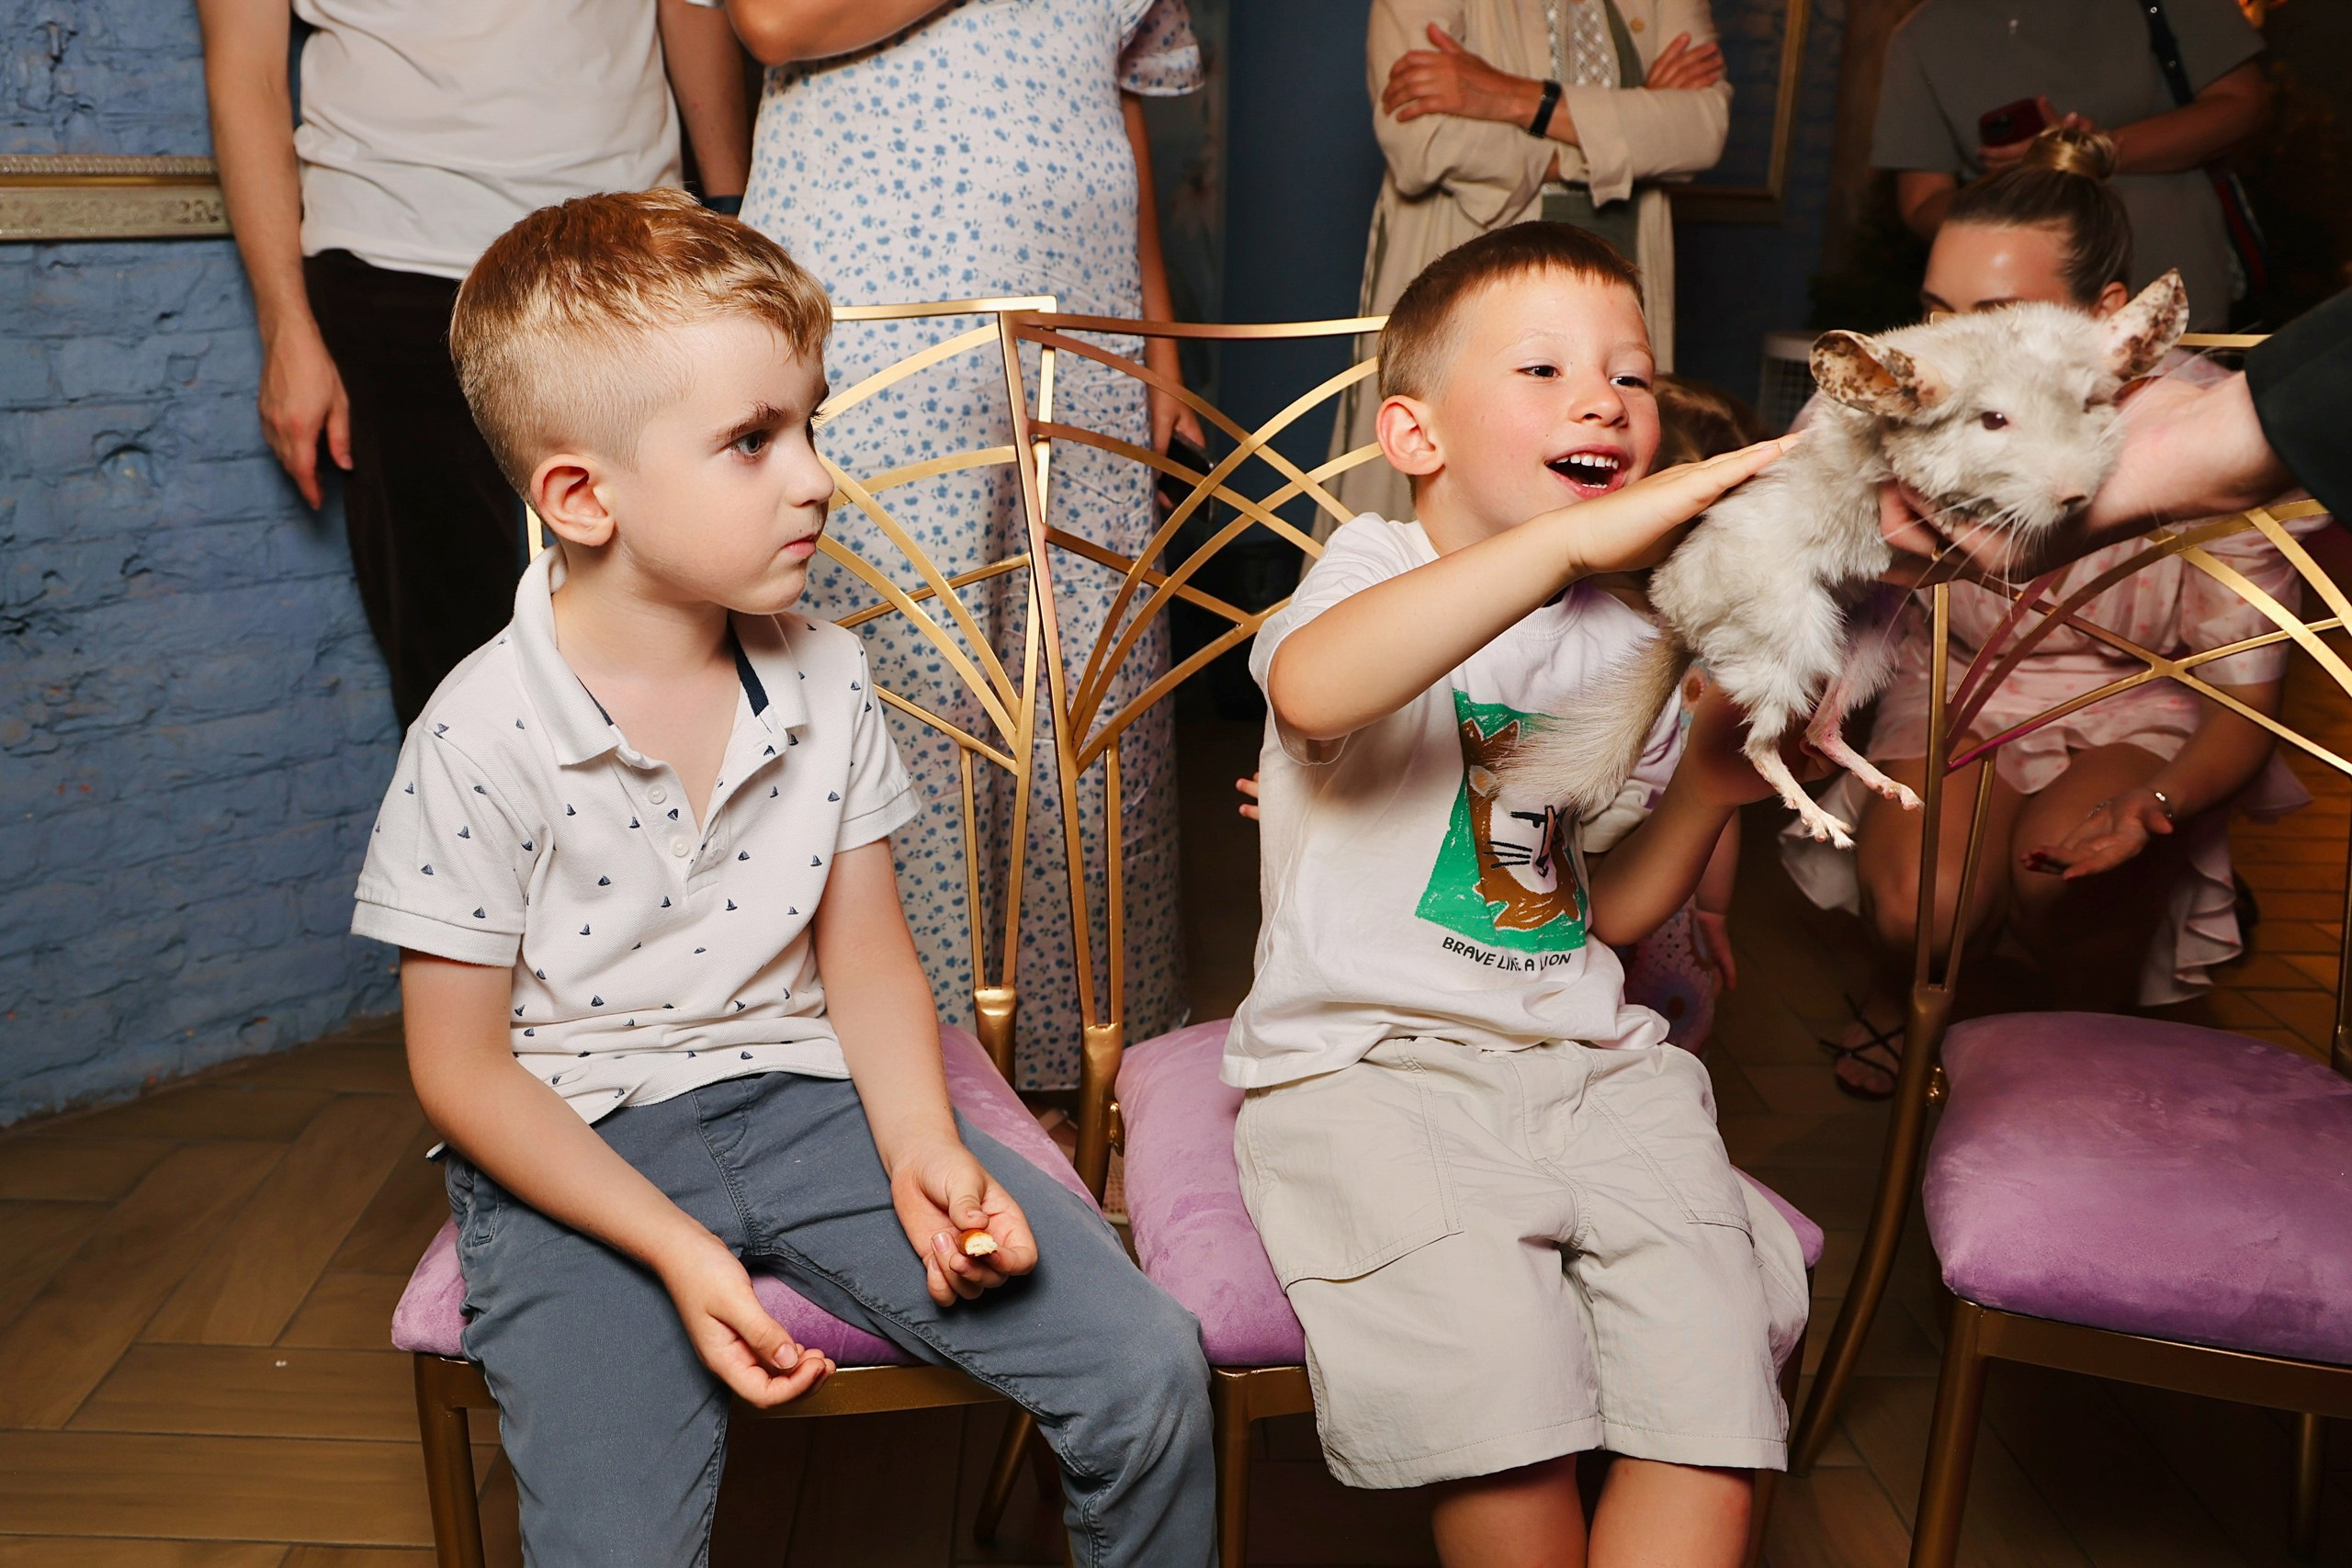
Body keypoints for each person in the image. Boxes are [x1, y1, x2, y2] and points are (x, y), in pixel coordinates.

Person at [349, 191, 1213, 1567]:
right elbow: (461, 1071)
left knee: (1146, 1362)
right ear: (582, 495)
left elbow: (866, 953)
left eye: (808, 423)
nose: (815, 475)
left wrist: (924, 1143)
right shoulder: (475, 730)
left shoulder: (826, 669)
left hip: (811, 1096)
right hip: (579, 1144)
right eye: (753, 441)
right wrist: (680, 1252)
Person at [1229, 221, 1810, 1566]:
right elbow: (1315, 687)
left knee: (1713, 1399)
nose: (1603, 398)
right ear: (1417, 436)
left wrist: (1713, 789)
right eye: (1543, 370)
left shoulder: (1634, 640)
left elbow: (1587, 910)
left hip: (1594, 1060)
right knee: (1504, 1411)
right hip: (1372, 1069)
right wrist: (1571, 548)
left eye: (1631, 374)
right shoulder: (1374, 567)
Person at [718, 0, 1204, 1089]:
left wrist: (1155, 333)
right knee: (906, 668)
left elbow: (1119, 98)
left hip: (1084, 312)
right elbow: (774, 20)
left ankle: (1081, 1080)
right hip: (884, 284)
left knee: (1091, 679)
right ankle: (897, 1073)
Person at [1790, 129, 2320, 1099]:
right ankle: (1910, 983)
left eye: (1995, 319)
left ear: (2106, 317)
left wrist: (2156, 806)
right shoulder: (1896, 396)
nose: (1950, 351)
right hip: (1946, 683)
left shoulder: (2208, 433)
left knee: (2065, 880)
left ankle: (2080, 1042)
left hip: (2133, 706)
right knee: (1924, 905)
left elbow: (2246, 703)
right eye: (1935, 312)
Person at [197, 0, 756, 726]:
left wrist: (735, 215)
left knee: (692, 639)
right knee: (459, 664)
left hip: (634, 254)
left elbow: (693, 7)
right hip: (398, 259)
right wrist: (285, 328)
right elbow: (245, 71)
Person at [1327, 0, 1731, 525]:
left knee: (1607, 477)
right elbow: (1422, 143)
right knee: (1440, 488)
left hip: (1624, 267)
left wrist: (1510, 96)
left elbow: (1700, 131)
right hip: (1476, 268)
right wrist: (1621, 132)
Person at [1869, 0, 2270, 332]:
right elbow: (1923, 201)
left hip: (2167, 292)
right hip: (2003, 326)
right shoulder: (1922, 35)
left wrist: (2093, 152)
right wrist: (2016, 186)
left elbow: (2244, 104)